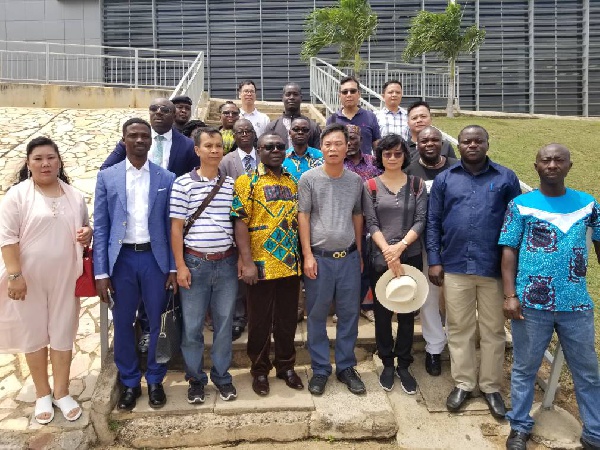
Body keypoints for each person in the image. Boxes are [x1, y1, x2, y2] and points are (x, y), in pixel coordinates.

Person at [499, 144, 600, 450]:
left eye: (559, 160)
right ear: (536, 166)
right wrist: (510, 295)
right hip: (531, 304)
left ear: (569, 166)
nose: (552, 164)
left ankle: (594, 431)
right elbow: (508, 250)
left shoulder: (588, 204)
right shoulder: (520, 205)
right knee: (524, 369)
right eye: (546, 160)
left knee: (587, 371)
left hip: (576, 303)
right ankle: (519, 426)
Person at [427, 125, 521, 418]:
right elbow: (433, 222)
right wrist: (434, 259)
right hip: (455, 265)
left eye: (478, 140)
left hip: (493, 268)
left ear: (487, 144)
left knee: (493, 331)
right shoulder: (445, 179)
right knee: (459, 329)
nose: (472, 145)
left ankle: (491, 386)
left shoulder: (506, 178)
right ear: (459, 145)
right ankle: (464, 383)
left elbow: (516, 224)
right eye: (466, 141)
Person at [0, 137, 92, 424]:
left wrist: (87, 233)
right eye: (38, 158)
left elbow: (85, 228)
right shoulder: (17, 195)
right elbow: (8, 238)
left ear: (59, 161)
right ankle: (43, 392)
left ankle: (62, 392)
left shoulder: (74, 196)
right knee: (34, 334)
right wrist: (15, 276)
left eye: (51, 157)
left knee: (63, 332)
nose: (45, 163)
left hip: (66, 277)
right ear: (28, 163)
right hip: (27, 280)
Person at [94, 118, 177, 411]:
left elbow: (171, 227)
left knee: (157, 322)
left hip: (155, 260)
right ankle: (129, 382)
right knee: (123, 322)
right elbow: (102, 227)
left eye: (145, 136)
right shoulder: (107, 177)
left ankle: (155, 379)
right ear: (124, 139)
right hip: (122, 261)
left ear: (151, 141)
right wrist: (101, 272)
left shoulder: (166, 178)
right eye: (134, 136)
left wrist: (173, 268)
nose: (140, 140)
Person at [231, 133, 303, 396]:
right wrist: (246, 261)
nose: (275, 150)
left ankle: (286, 366)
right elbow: (239, 221)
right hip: (259, 265)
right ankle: (260, 371)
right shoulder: (247, 181)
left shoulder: (292, 181)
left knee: (287, 321)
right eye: (268, 146)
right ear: (258, 150)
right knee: (259, 322)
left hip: (289, 264)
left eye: (280, 146)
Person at [170, 127, 238, 404]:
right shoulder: (182, 184)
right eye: (208, 146)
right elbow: (175, 229)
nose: (214, 150)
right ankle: (195, 380)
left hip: (226, 263)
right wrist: (180, 266)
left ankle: (222, 377)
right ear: (197, 150)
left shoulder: (232, 185)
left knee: (224, 325)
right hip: (195, 263)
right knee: (193, 328)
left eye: (218, 146)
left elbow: (237, 223)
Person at [298, 123, 365, 396]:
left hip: (348, 258)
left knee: (349, 314)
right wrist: (307, 255)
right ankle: (321, 368)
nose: (333, 148)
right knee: (316, 315)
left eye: (338, 143)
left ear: (347, 146)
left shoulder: (355, 181)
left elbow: (357, 216)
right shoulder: (309, 179)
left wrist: (359, 252)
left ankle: (346, 366)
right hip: (319, 259)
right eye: (328, 144)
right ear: (321, 148)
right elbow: (303, 216)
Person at [362, 134, 427, 393]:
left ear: (404, 156)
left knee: (407, 312)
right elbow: (371, 221)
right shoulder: (371, 186)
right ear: (380, 156)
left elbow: (421, 219)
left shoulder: (416, 185)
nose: (391, 158)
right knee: (382, 314)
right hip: (381, 258)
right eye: (387, 154)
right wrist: (388, 251)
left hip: (409, 256)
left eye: (397, 153)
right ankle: (387, 362)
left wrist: (400, 247)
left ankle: (404, 363)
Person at [405, 126, 457, 376]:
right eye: (424, 140)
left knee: (458, 299)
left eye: (435, 139)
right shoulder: (410, 170)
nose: (429, 143)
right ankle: (434, 348)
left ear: (443, 142)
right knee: (428, 298)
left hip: (456, 241)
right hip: (425, 243)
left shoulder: (458, 167)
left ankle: (458, 348)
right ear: (417, 143)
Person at [219, 118, 258, 341]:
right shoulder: (226, 161)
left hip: (263, 224)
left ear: (254, 134)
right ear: (233, 136)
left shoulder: (264, 154)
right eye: (239, 131)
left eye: (247, 131)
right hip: (236, 221)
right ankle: (238, 317)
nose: (244, 134)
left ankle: (258, 314)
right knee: (238, 272)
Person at [101, 98, 198, 178]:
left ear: (174, 115)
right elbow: (106, 169)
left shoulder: (188, 146)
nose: (158, 112)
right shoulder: (132, 140)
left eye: (165, 110)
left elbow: (195, 177)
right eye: (153, 109)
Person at [343, 124, 381, 323]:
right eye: (346, 139)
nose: (349, 143)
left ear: (361, 140)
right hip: (345, 226)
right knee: (349, 270)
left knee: (368, 267)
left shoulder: (374, 163)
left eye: (353, 138)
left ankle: (367, 306)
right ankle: (348, 308)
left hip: (372, 225)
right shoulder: (338, 164)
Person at [326, 75, 381, 155]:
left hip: (365, 166)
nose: (349, 95)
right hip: (340, 166)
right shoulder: (332, 120)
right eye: (345, 92)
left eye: (353, 91)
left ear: (359, 94)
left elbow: (377, 145)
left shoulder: (370, 117)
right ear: (339, 96)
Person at [264, 82, 321, 149]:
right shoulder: (272, 127)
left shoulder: (313, 127)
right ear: (282, 98)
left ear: (301, 98)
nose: (291, 97)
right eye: (288, 94)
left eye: (295, 94)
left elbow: (318, 154)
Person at [282, 117, 324, 184]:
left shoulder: (321, 157)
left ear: (309, 133)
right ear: (289, 133)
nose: (300, 132)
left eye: (305, 130)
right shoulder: (282, 158)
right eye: (296, 129)